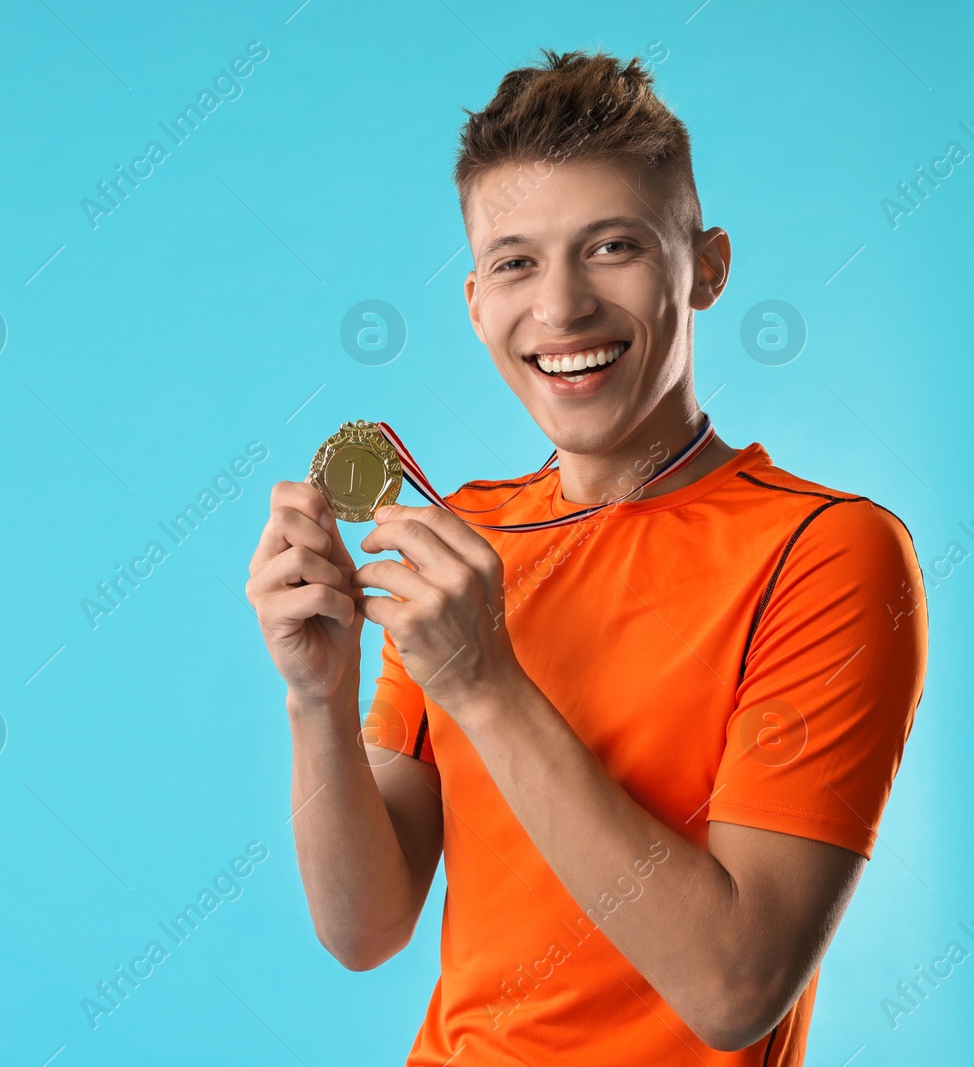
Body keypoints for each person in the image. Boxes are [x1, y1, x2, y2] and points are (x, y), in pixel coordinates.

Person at [245, 49, 928, 1065]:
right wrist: (316, 695)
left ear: (706, 266)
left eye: (611, 247)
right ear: (476, 301)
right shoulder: (460, 538)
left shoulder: (828, 554)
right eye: (516, 261)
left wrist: (482, 681)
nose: (560, 307)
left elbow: (732, 985)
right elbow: (364, 926)